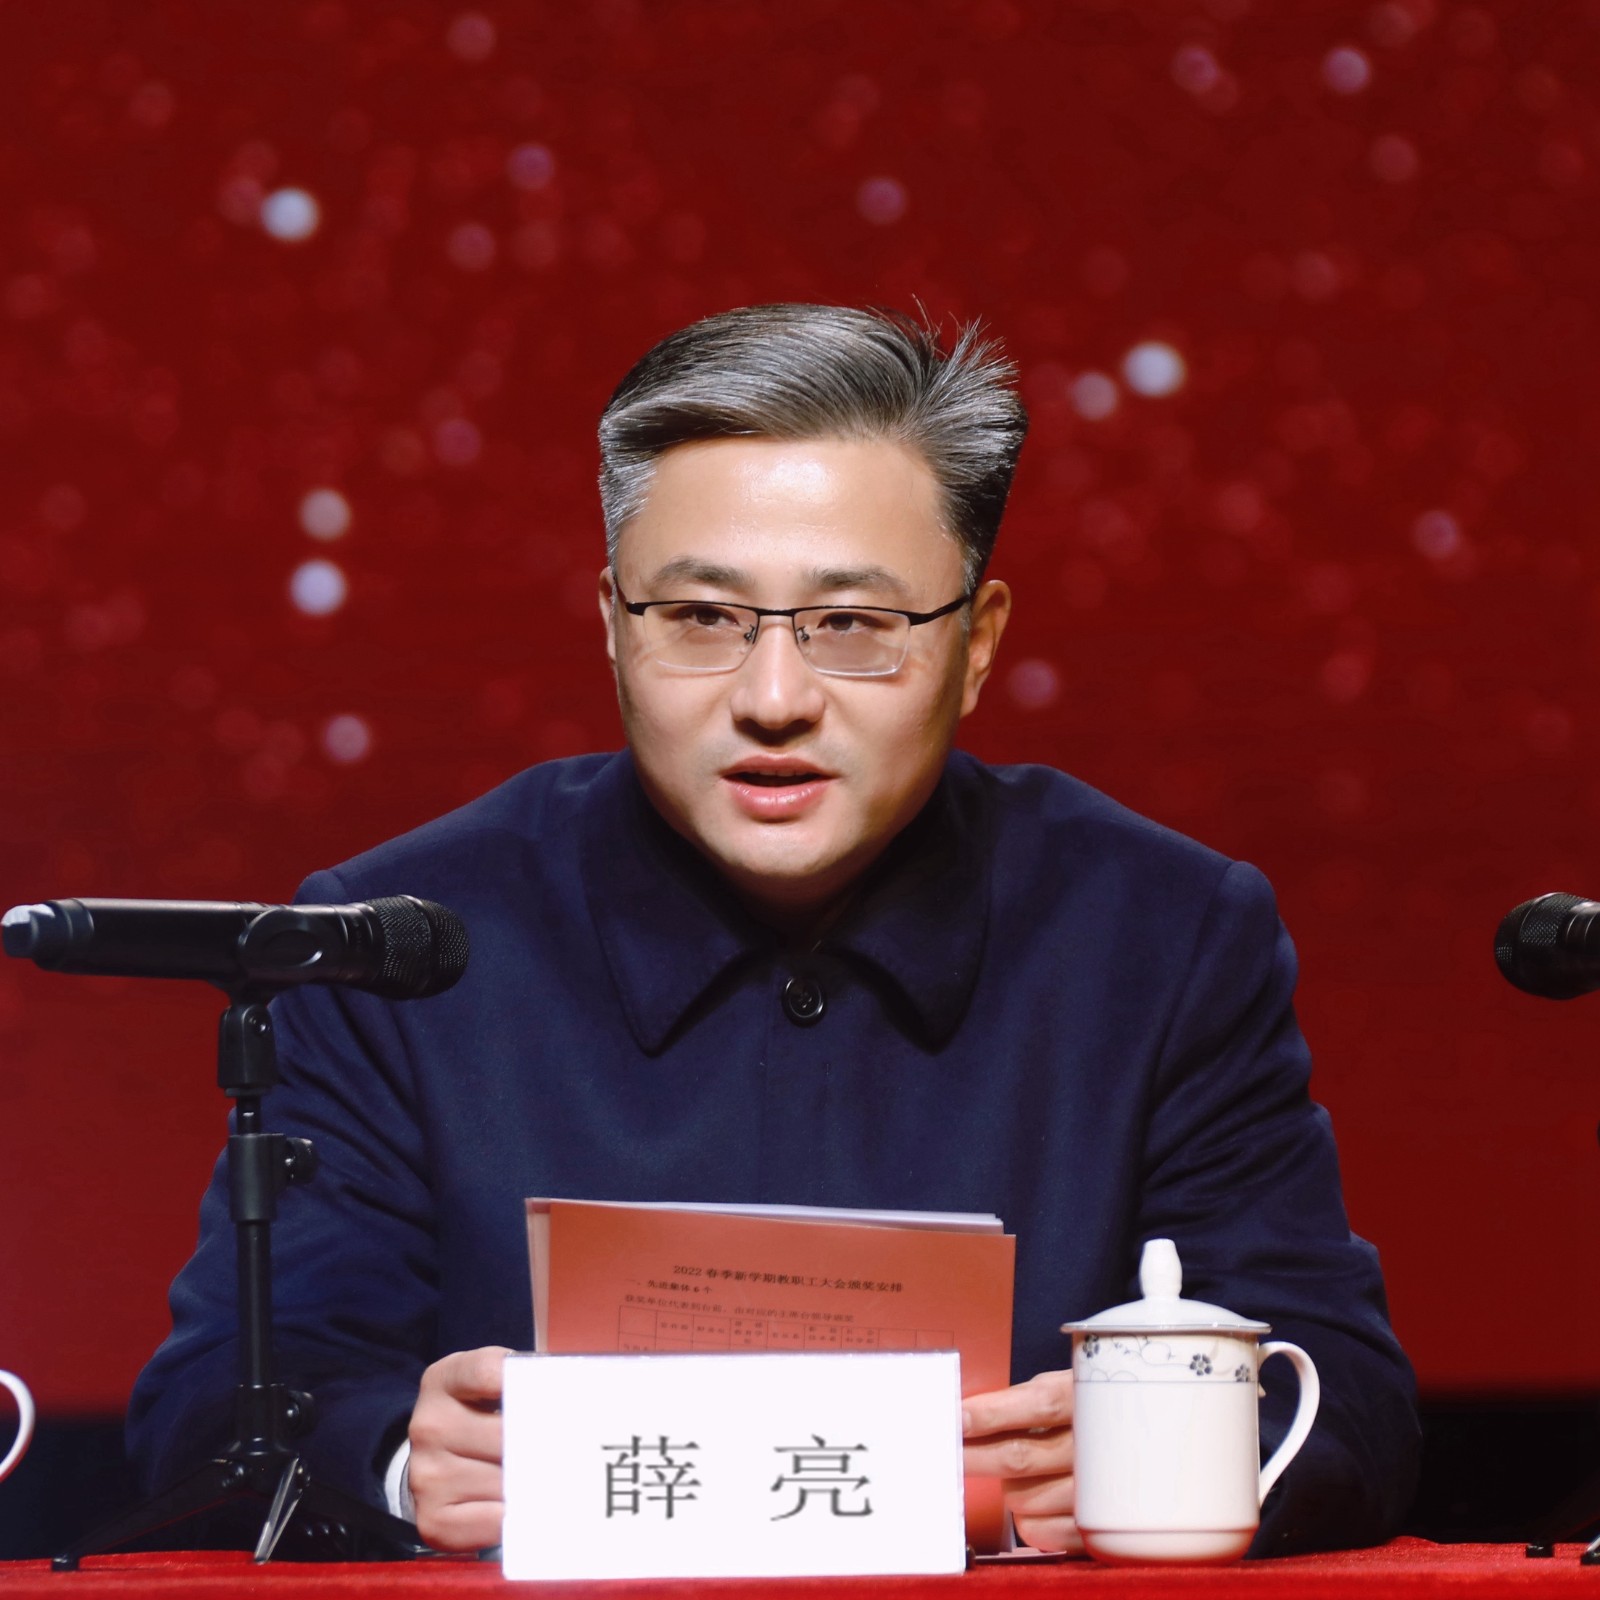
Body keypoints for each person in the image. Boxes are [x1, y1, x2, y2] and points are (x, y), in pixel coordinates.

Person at [129, 304, 1420, 1557]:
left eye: (854, 624)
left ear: (978, 644)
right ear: (612, 626)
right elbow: (215, 1405)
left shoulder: (1162, 936)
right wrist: (403, 1467)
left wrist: (1173, 1451)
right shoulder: (395, 943)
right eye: (702, 618)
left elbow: (1345, 1399)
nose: (774, 696)